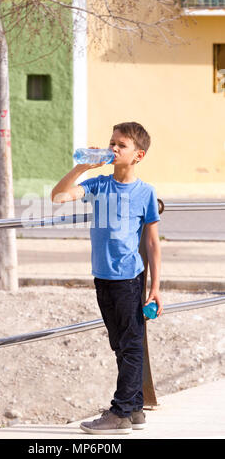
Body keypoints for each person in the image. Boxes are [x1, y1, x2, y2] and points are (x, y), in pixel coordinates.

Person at [51, 121, 162, 435]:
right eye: (111, 143)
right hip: (102, 277)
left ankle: (120, 413)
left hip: (129, 279)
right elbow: (58, 197)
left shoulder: (145, 193)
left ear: (138, 155)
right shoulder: (99, 185)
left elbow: (153, 243)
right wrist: (80, 169)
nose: (113, 149)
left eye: (121, 145)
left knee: (130, 344)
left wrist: (155, 288)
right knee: (120, 345)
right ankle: (136, 407)